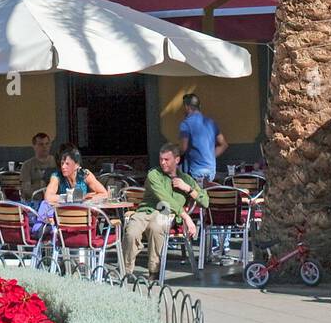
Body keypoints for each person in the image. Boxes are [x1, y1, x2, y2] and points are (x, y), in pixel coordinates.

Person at [122, 143, 210, 277]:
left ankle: (154, 270)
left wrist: (188, 188)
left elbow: (205, 202)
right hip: (145, 211)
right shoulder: (154, 175)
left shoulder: (186, 179)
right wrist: (186, 217)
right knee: (131, 233)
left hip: (165, 213)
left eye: (166, 160)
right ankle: (126, 271)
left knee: (156, 227)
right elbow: (165, 199)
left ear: (177, 160)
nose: (163, 163)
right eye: (161, 159)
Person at [178, 93, 227, 183]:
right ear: (199, 106)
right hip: (211, 170)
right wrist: (210, 156)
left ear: (186, 107)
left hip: (194, 170)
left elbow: (183, 148)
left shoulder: (186, 124)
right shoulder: (211, 122)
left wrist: (173, 155)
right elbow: (223, 144)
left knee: (194, 195)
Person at [43, 146, 108, 205]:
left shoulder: (85, 174)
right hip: (63, 214)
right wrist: (73, 197)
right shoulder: (56, 176)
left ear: (77, 165)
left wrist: (87, 198)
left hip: (84, 213)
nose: (63, 167)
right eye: (62, 163)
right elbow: (48, 197)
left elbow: (104, 194)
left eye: (67, 164)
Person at [19, 132, 57, 200]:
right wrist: (40, 186)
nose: (44, 147)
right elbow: (25, 189)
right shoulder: (27, 165)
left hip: (54, 201)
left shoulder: (57, 162)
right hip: (34, 202)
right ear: (34, 146)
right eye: (41, 144)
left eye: (47, 144)